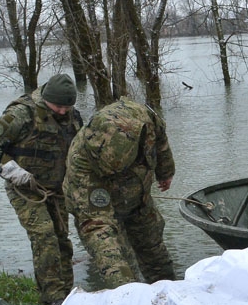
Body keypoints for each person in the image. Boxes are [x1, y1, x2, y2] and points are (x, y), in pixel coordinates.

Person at [63, 97, 177, 289]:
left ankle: (170, 291)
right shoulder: (81, 167)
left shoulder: (143, 118)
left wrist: (165, 172)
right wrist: (124, 286)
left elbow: (160, 139)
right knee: (120, 261)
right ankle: (129, 300)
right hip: (102, 202)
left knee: (153, 248)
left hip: (138, 197)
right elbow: (98, 231)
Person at [0, 74, 84, 305]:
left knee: (62, 239)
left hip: (57, 189)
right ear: (45, 100)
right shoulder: (21, 115)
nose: (63, 112)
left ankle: (67, 294)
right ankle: (52, 298)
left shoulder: (73, 117)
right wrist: (11, 169)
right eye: (58, 107)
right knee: (44, 235)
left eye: (67, 107)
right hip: (24, 187)